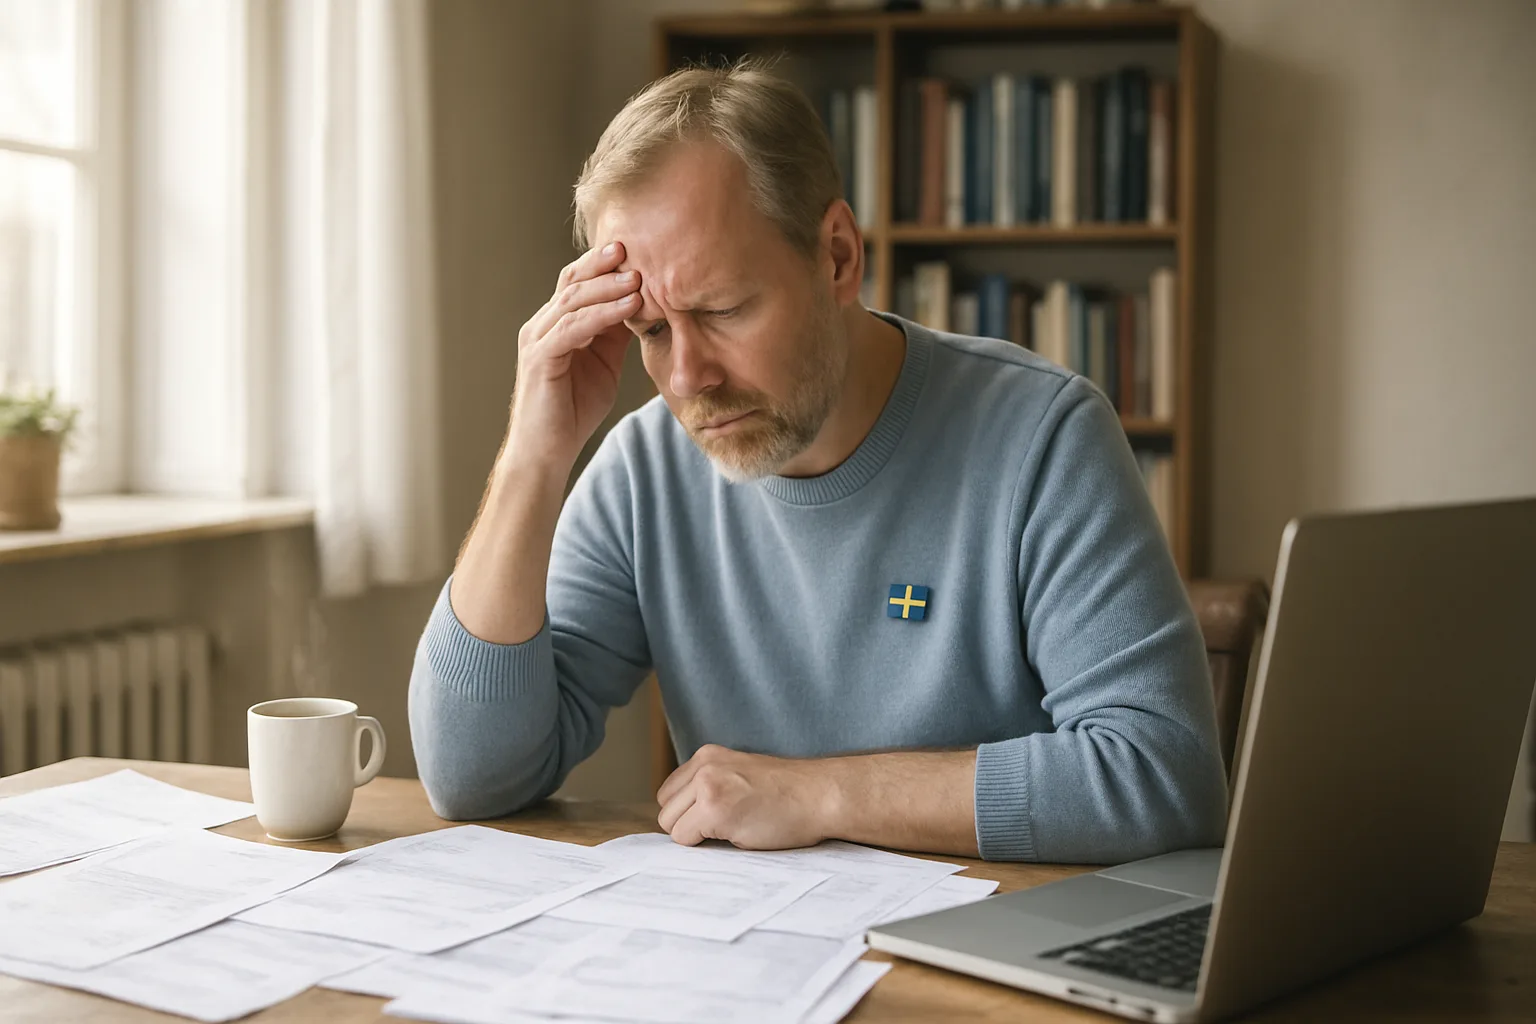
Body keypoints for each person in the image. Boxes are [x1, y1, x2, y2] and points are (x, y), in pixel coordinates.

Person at [408, 61, 1227, 863]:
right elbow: (471, 777)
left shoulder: (1043, 438)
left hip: (1000, 961)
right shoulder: (642, 471)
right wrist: (532, 458)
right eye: (651, 332)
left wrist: (823, 793)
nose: (687, 379)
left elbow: (1165, 771)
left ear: (836, 255)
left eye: (723, 310)